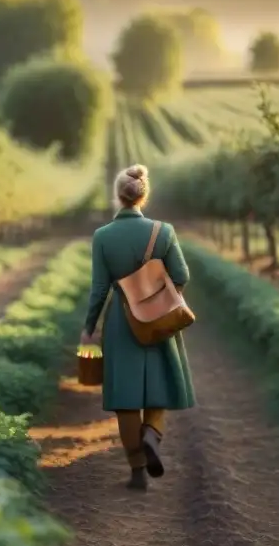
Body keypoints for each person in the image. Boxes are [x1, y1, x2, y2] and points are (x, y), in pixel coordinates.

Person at [80, 164, 195, 491]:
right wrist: (157, 299)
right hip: (157, 317)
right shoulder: (164, 231)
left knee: (126, 399)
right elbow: (182, 275)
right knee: (157, 384)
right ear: (144, 195)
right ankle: (152, 434)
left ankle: (137, 472)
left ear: (118, 196)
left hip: (121, 320)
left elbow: (99, 288)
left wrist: (90, 326)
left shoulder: (103, 236)